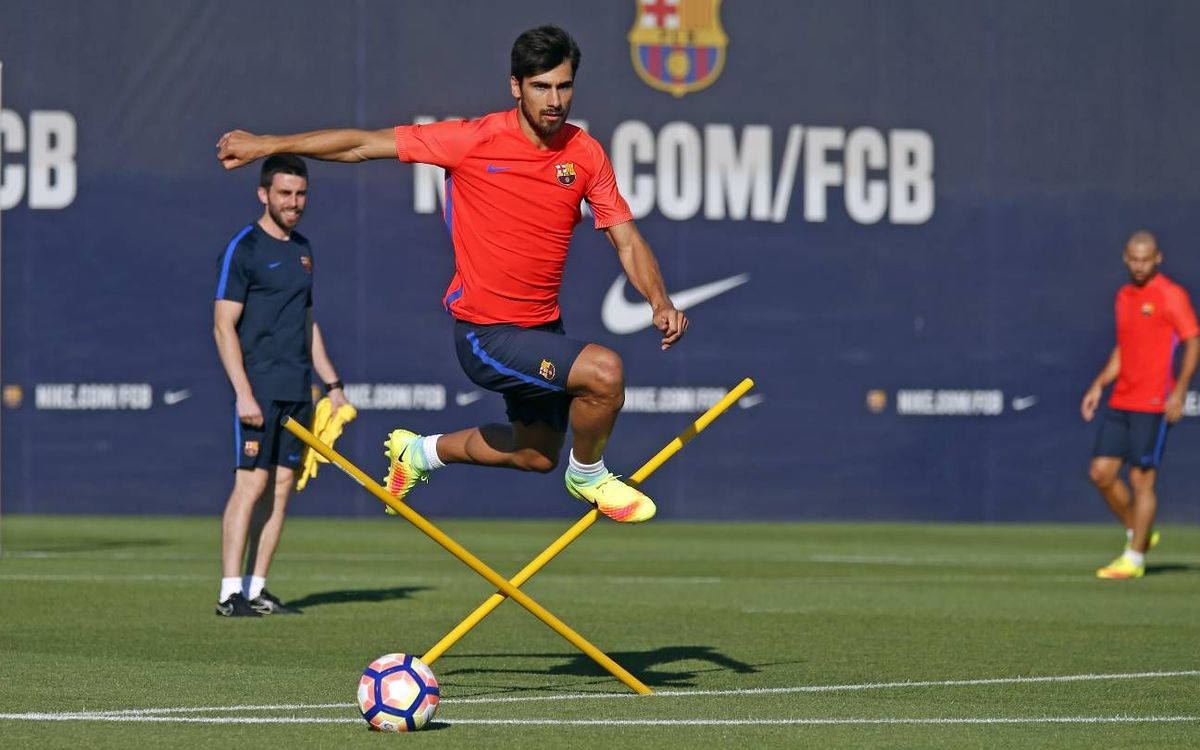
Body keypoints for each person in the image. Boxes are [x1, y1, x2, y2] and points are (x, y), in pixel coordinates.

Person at [217, 25, 687, 524]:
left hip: (542, 330)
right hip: (487, 335)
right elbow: (360, 145)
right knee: (604, 373)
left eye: (563, 86)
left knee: (535, 455)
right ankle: (588, 476)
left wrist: (659, 301)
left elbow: (626, 238)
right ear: (516, 86)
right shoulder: (471, 140)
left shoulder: (585, 153)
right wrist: (265, 145)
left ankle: (420, 453)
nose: (554, 100)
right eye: (541, 87)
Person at [213, 154, 349, 616]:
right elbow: (223, 326)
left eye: (301, 193)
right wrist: (243, 393)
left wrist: (333, 383)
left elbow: (307, 322)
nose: (294, 202)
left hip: (298, 390)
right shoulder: (244, 248)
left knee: (282, 487)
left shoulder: (303, 250)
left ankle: (256, 589)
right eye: (285, 193)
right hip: (259, 390)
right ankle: (229, 593)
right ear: (263, 194)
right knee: (250, 485)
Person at [1080, 230, 1198, 579]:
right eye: (1134, 259)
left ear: (1158, 258)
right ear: (1125, 258)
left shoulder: (1171, 295)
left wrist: (1180, 391)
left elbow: (1193, 341)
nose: (1140, 266)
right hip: (1122, 399)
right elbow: (1125, 346)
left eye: (1146, 259)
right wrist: (1099, 384)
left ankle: (1133, 558)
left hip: (1153, 402)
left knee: (1141, 480)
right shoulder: (1124, 296)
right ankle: (1140, 531)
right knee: (1101, 473)